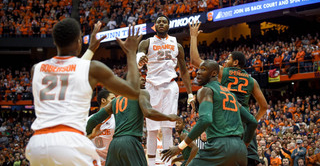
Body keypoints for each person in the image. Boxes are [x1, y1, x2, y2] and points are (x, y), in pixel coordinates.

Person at [25, 18, 142, 166]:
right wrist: (131, 53)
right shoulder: (92, 69)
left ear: (55, 42)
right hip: (69, 141)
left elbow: (68, 70)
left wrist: (91, 50)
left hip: (37, 144)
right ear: (79, 41)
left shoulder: (36, 69)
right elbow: (133, 91)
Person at [189, 21, 267, 165]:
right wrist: (251, 118)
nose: (225, 60)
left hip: (227, 120)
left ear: (236, 62)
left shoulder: (222, 72)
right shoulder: (252, 81)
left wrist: (193, 36)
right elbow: (264, 106)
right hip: (244, 125)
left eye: (229, 58)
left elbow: (195, 60)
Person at [162, 60, 258, 166]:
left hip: (219, 147)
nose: (198, 72)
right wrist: (244, 144)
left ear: (214, 73)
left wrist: (180, 147)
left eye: (203, 69)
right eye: (199, 69)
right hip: (240, 150)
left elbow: (206, 119)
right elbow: (252, 121)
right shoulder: (231, 94)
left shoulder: (206, 90)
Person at [86, 75, 181, 166]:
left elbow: (93, 120)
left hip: (114, 145)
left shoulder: (115, 100)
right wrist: (168, 117)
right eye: (139, 77)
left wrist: (88, 134)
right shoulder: (141, 93)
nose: (143, 79)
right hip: (130, 142)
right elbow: (148, 112)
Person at [137, 14, 193, 166]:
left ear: (168, 25)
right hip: (152, 86)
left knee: (168, 127)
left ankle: (167, 164)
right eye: (158, 22)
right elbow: (139, 56)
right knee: (152, 129)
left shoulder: (177, 44)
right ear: (154, 26)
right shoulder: (147, 42)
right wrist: (140, 59)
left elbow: (184, 70)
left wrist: (190, 94)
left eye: (164, 22)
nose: (161, 23)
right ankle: (152, 163)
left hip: (170, 86)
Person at [87, 89, 115, 166]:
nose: (115, 102)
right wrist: (92, 136)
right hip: (93, 160)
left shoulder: (116, 120)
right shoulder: (89, 120)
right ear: (103, 100)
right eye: (112, 99)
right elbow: (80, 141)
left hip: (111, 160)